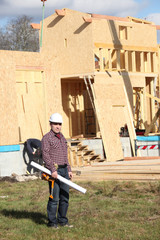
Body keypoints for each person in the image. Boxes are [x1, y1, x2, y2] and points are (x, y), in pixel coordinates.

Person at [41, 113, 73, 229]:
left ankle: (63, 221)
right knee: (54, 198)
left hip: (64, 170)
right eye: (55, 124)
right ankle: (52, 223)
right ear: (50, 124)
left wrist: (69, 169)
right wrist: (53, 170)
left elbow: (65, 155)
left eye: (59, 124)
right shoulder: (46, 138)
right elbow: (45, 155)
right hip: (55, 171)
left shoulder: (62, 137)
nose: (57, 126)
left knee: (65, 197)